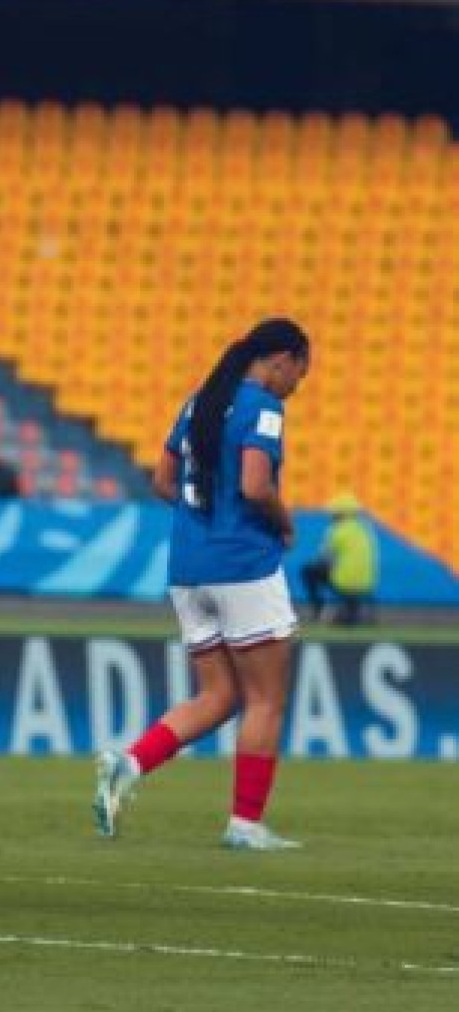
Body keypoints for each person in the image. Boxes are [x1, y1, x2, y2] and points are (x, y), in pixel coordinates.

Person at [96, 318, 312, 852]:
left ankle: (129, 763)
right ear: (281, 360)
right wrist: (283, 523)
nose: (294, 387)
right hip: (244, 566)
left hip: (188, 568)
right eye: (298, 375)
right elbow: (255, 484)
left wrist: (205, 522)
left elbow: (163, 482)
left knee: (219, 697)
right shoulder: (263, 407)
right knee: (266, 700)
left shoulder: (201, 401)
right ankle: (245, 824)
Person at [301, 493, 378, 626]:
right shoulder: (365, 528)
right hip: (367, 582)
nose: (331, 515)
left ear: (339, 513)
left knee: (308, 571)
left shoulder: (337, 530)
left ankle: (320, 611)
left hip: (343, 581)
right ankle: (350, 610)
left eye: (334, 512)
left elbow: (324, 559)